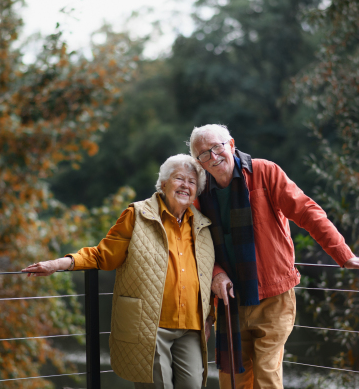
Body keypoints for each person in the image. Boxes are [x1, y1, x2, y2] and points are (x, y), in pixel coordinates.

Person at [188, 124, 359, 389]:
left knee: (267, 378)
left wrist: (343, 255)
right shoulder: (201, 194)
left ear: (230, 144)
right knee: (233, 382)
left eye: (216, 147)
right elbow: (198, 244)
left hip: (274, 295)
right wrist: (216, 274)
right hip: (229, 301)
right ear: (198, 162)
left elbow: (307, 211)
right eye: (203, 154)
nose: (212, 156)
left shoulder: (264, 172)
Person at [22, 154, 216, 389]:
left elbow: (209, 274)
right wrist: (59, 264)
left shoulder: (203, 225)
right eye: (179, 178)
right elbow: (103, 255)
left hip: (192, 328)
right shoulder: (137, 215)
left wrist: (209, 317)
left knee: (194, 385)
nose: (186, 185)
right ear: (163, 183)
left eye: (192, 182)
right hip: (151, 326)